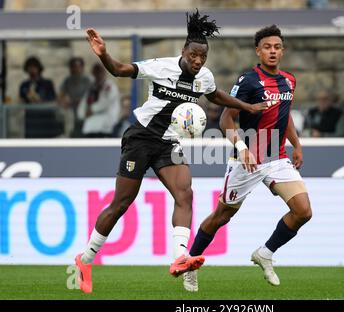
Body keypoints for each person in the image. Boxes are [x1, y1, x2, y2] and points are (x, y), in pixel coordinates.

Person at [74, 10, 271, 294]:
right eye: (193, 55)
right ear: (184, 51)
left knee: (185, 193)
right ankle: (86, 259)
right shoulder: (161, 67)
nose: (198, 61)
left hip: (168, 143)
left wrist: (247, 107)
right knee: (121, 203)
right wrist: (103, 54)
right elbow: (120, 70)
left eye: (203, 56)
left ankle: (180, 256)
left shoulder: (203, 76)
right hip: (141, 138)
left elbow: (215, 95)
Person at [181, 25, 312, 292]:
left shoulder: (289, 80)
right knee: (221, 216)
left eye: (276, 47)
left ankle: (265, 253)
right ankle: (189, 264)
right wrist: (242, 148)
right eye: (267, 47)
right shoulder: (249, 81)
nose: (272, 51)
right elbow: (226, 119)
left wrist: (296, 145)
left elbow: (284, 118)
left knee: (303, 211)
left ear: (282, 50)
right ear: (258, 51)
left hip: (276, 157)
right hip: (246, 160)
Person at [77, 63, 120, 138]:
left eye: (99, 72)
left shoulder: (110, 87)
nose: (98, 75)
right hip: (90, 128)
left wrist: (92, 110)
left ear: (104, 73)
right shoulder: (91, 88)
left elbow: (105, 103)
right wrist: (83, 113)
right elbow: (83, 105)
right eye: (95, 72)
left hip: (106, 127)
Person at [59, 57, 91, 137]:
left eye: (77, 67)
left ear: (82, 68)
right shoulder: (68, 81)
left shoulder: (87, 80)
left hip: (85, 111)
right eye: (73, 67)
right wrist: (63, 102)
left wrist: (75, 102)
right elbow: (61, 95)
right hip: (72, 112)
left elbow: (90, 97)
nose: (75, 69)